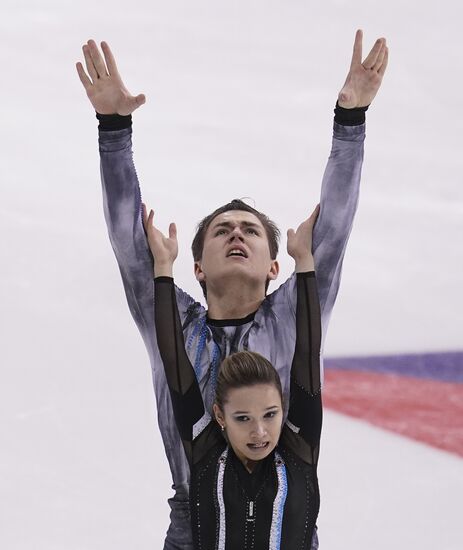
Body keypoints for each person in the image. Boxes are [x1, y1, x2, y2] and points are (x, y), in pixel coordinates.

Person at [76, 30, 388, 549]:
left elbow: (331, 233)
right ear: (196, 267)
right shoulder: (173, 325)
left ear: (274, 265)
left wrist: (350, 122)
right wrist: (114, 129)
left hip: (287, 518)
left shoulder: (291, 317)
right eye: (222, 231)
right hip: (193, 527)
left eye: (250, 231)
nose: (237, 234)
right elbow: (131, 247)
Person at [150, 202, 322, 549]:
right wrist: (163, 268)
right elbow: (173, 361)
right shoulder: (206, 452)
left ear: (283, 408)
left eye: (270, 415)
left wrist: (305, 261)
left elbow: (307, 353)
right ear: (219, 417)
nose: (259, 431)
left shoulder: (300, 450)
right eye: (242, 417)